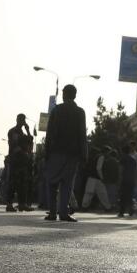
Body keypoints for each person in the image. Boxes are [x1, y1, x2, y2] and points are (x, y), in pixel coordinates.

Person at [43, 85, 87, 222]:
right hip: (72, 154)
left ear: (64, 94)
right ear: (74, 95)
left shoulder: (57, 110)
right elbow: (82, 134)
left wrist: (46, 152)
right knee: (67, 185)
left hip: (56, 152)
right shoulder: (80, 112)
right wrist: (84, 154)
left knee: (52, 183)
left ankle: (52, 213)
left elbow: (49, 132)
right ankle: (63, 213)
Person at [5, 115, 32, 212]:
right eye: (21, 120)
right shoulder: (13, 131)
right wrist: (24, 153)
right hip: (15, 160)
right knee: (12, 182)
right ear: (17, 120)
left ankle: (22, 204)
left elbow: (30, 141)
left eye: (23, 120)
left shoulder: (22, 132)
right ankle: (9, 204)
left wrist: (28, 130)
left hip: (22, 161)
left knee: (23, 183)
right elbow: (14, 144)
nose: (22, 121)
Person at [117, 141, 137, 217]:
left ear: (123, 151)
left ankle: (121, 212)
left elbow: (121, 170)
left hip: (124, 179)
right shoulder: (133, 160)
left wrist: (119, 180)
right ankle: (131, 210)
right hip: (131, 180)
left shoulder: (122, 159)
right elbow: (135, 171)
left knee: (123, 196)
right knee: (130, 195)